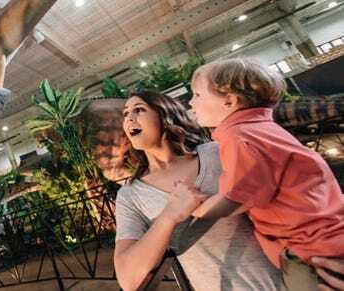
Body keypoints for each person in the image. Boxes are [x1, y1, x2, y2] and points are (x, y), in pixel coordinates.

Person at [189, 57, 344, 291]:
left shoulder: (239, 137)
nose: (191, 103)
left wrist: (193, 208)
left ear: (229, 100)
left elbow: (235, 199)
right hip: (330, 238)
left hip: (313, 255)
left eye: (197, 95)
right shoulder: (266, 130)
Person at [113, 91, 283, 290]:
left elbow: (275, 185)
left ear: (165, 114)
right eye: (125, 114)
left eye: (139, 109)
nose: (129, 118)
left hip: (287, 280)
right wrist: (169, 215)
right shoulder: (131, 195)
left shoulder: (216, 152)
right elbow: (128, 280)